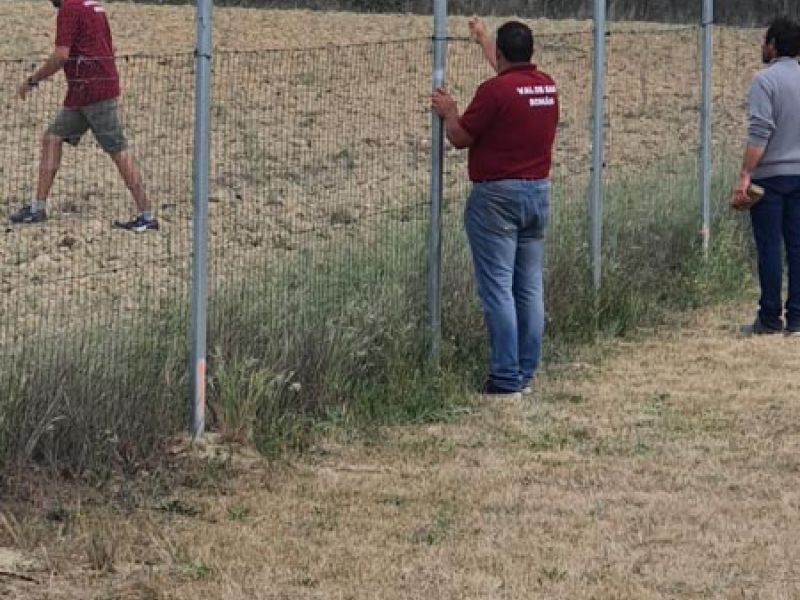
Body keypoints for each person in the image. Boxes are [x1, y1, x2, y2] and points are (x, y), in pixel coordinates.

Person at [431, 18, 559, 397]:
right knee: (529, 288)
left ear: (500, 55)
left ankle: (504, 378)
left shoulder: (494, 91)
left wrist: (450, 111)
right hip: (538, 193)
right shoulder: (546, 86)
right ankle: (524, 373)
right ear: (531, 51)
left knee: (498, 289)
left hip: (497, 199)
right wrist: (484, 39)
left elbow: (460, 138)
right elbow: (511, 79)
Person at [11, 0, 158, 233]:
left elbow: (61, 55)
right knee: (52, 138)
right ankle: (37, 207)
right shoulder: (94, 6)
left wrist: (33, 80)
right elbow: (109, 46)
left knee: (117, 148)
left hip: (91, 90)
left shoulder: (69, 9)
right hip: (87, 89)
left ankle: (146, 214)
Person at [731, 16, 800, 337]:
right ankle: (797, 317)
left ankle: (770, 318)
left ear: (773, 45)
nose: (762, 46)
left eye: (765, 41)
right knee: (797, 247)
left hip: (770, 177)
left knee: (770, 247)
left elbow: (761, 130)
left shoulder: (764, 80)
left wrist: (746, 174)